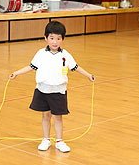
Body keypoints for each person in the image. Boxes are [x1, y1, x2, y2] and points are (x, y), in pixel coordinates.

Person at [9, 21, 95, 152]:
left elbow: (76, 67)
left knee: (58, 117)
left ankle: (60, 141)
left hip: (58, 91)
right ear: (46, 38)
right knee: (45, 116)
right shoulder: (41, 53)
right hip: (43, 90)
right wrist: (16, 73)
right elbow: (31, 67)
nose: (55, 42)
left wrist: (88, 75)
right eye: (52, 38)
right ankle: (46, 139)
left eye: (58, 38)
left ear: (63, 39)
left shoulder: (65, 55)